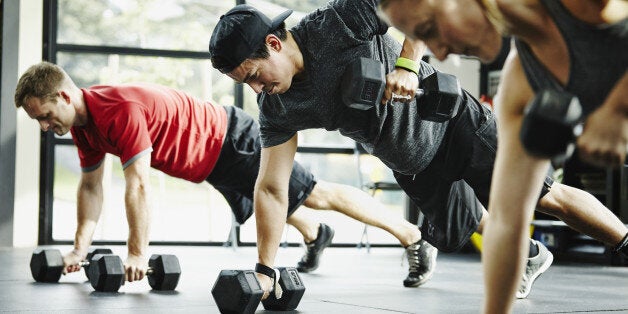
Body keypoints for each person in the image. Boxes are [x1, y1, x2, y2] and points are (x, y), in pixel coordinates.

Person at [14, 61, 429, 284]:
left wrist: (137, 252)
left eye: (47, 116)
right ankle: (315, 233)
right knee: (282, 203)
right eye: (40, 122)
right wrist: (78, 249)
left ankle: (412, 236)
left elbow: (137, 185)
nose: (47, 127)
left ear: (65, 95)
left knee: (314, 193)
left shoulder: (118, 111)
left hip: (231, 140)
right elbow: (90, 187)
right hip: (212, 163)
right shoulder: (83, 127)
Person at [378, 0, 628, 312]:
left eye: (430, 30)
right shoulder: (520, 84)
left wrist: (617, 110)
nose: (439, 54)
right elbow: (509, 221)